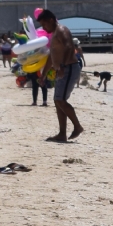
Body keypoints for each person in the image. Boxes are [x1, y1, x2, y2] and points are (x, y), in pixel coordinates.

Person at [36, 10, 84, 142]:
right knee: (58, 101)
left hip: (68, 68)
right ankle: (62, 134)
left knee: (60, 100)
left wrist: (62, 66)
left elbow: (69, 47)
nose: (44, 28)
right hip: (62, 69)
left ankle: (77, 126)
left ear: (51, 20)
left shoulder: (62, 30)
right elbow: (51, 58)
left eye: (44, 24)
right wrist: (43, 75)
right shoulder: (54, 35)